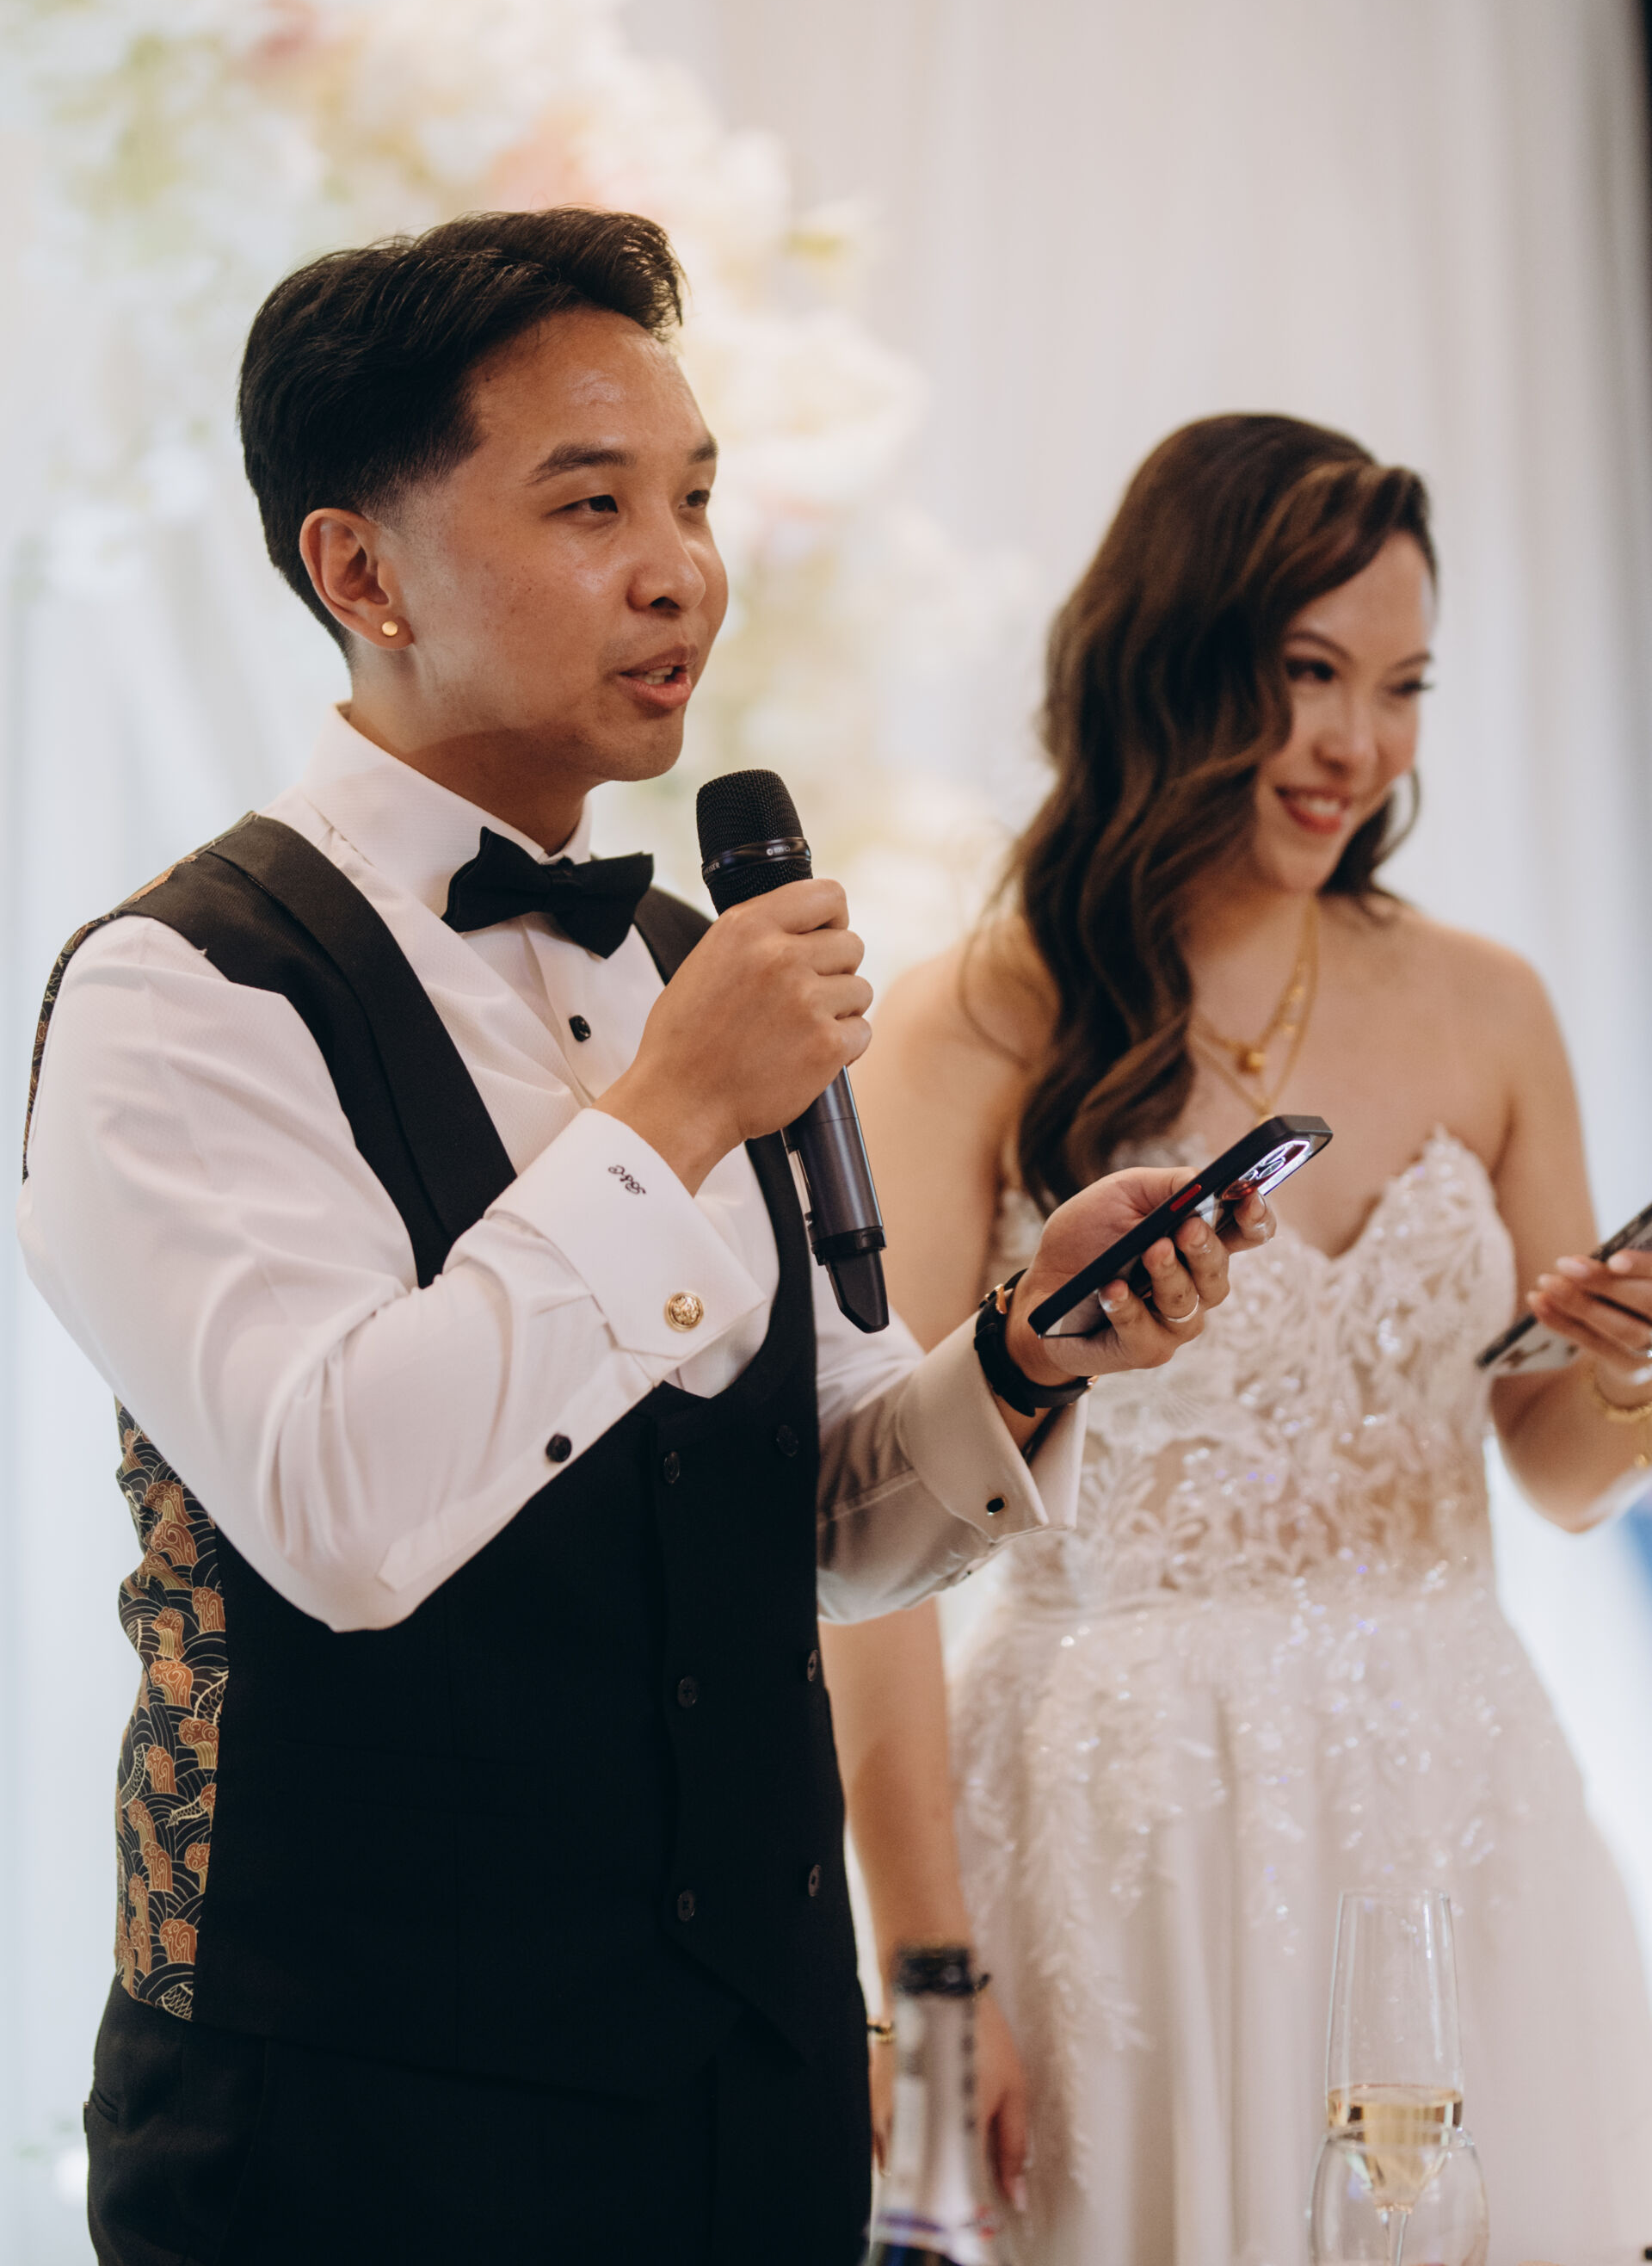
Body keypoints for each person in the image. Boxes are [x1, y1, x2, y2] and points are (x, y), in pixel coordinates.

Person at [15, 213, 1272, 2266]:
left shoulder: (693, 958)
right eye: (591, 504)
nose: (682, 567)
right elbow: (342, 1508)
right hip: (354, 2128)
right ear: (361, 572)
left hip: (751, 2099)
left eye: (694, 498)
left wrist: (1026, 1350)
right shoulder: (183, 993)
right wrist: (675, 1108)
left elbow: (817, 1510)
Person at [823, 413, 1652, 2263]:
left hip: (1460, 1806)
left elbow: (1559, 1470)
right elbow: (857, 1556)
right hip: (1123, 1838)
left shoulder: (1491, 1005)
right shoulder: (976, 1025)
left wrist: (1632, 1368)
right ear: (1174, 662)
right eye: (1308, 673)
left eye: (1404, 687)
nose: (1361, 743)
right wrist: (931, 1978)